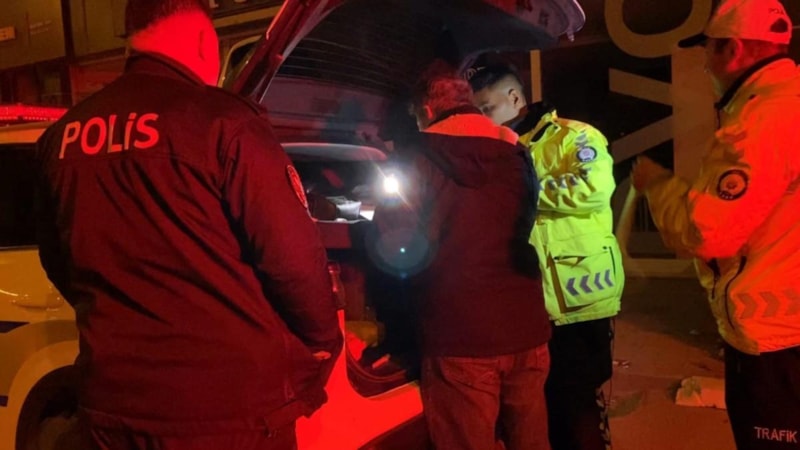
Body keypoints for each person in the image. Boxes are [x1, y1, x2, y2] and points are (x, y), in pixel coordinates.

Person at [34, 1, 342, 449]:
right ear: (202, 39)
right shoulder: (224, 123)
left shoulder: (62, 138)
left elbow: (57, 259)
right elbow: (293, 260)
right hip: (228, 414)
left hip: (113, 410)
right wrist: (322, 341)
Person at [631, 0, 800, 448]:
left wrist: (658, 185)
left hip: (778, 339)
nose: (705, 63)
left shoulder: (761, 121)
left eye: (708, 49)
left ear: (734, 49)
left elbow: (705, 233)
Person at [365, 60, 551, 450]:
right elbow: (525, 220)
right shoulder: (517, 153)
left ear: (426, 110)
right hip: (526, 327)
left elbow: (398, 247)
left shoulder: (417, 159)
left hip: (460, 335)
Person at [469, 63, 624, 450]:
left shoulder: (574, 136)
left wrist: (520, 188)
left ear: (515, 98)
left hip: (578, 298)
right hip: (530, 303)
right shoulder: (497, 149)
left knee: (578, 406)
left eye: (486, 108)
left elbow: (592, 189)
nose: (482, 118)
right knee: (542, 407)